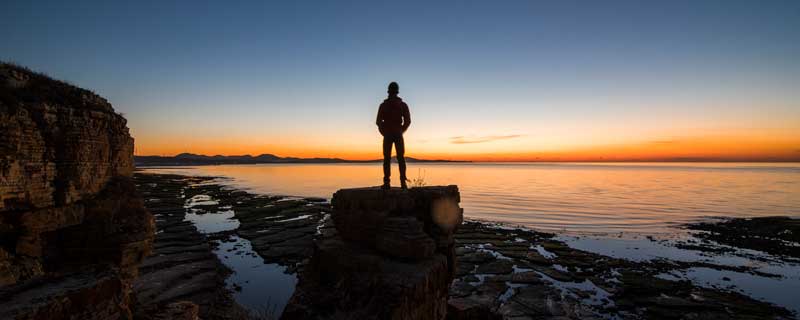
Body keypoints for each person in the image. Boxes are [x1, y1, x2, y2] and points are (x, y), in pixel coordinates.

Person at [375, 82, 410, 189]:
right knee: (400, 158)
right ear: (397, 91)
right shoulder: (402, 105)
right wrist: (401, 131)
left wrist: (384, 132)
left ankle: (387, 182)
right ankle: (402, 183)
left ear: (389, 91)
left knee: (387, 159)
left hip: (390, 133)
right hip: (396, 133)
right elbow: (407, 121)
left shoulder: (384, 105)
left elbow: (378, 122)